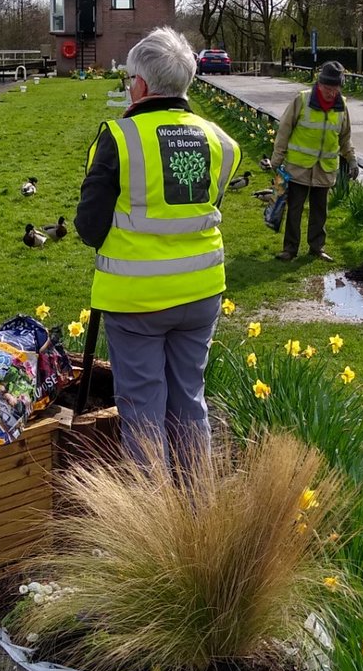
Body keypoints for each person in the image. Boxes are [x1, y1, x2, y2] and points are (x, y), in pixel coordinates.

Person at [75, 26, 241, 467]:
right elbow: (201, 208)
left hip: (137, 301)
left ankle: (153, 523)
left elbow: (89, 228)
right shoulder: (220, 142)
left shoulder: (120, 137)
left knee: (143, 410)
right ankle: (196, 505)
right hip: (202, 292)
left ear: (142, 84)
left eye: (131, 79)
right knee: (190, 399)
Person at [270, 60, 358, 262]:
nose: (330, 93)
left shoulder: (341, 106)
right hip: (298, 167)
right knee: (295, 209)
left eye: (334, 88)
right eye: (327, 88)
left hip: (325, 169)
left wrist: (352, 160)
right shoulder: (302, 100)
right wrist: (276, 161)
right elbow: (284, 131)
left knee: (320, 211)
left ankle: (317, 248)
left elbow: (344, 137)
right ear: (319, 84)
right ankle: (290, 249)